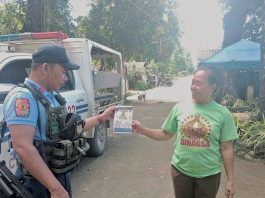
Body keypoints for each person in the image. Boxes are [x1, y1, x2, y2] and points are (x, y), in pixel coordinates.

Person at [3, 44, 116, 198]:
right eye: (63, 72)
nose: (64, 78)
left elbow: (72, 128)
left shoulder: (52, 97)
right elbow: (22, 146)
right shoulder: (23, 97)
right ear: (45, 68)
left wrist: (102, 118)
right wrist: (55, 188)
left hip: (58, 177)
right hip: (37, 183)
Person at [132, 67, 238, 198]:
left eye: (198, 83)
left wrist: (230, 180)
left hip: (209, 176)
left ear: (213, 86)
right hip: (180, 172)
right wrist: (142, 129)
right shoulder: (180, 108)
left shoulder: (223, 114)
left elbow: (226, 148)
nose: (193, 87)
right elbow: (165, 133)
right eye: (192, 82)